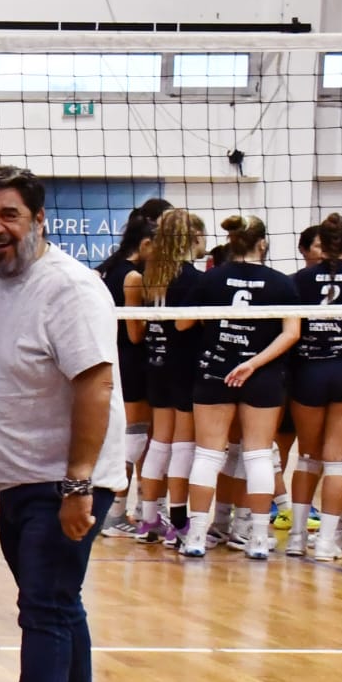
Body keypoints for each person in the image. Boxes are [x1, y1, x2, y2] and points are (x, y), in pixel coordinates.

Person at [0, 166, 120, 682]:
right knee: (56, 601)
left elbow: (96, 383)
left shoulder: (71, 289)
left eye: (9, 216)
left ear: (39, 219)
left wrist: (78, 483)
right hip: (18, 482)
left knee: (45, 608)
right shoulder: (2, 287)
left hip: (63, 482)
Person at [179, 216, 299, 559]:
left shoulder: (211, 278)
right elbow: (291, 334)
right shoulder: (281, 284)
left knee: (208, 453)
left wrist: (218, 325)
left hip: (216, 369)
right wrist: (253, 362)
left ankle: (197, 537)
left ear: (231, 242)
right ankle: (259, 539)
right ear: (262, 242)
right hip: (260, 374)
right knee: (259, 454)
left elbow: (182, 322)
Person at [128, 209, 206, 546]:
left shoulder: (151, 272)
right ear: (191, 239)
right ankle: (177, 523)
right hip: (183, 366)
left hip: (155, 364)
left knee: (159, 442)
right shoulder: (191, 278)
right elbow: (184, 324)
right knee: (182, 446)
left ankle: (147, 519)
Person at [288, 216, 342, 559]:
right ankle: (327, 542)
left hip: (308, 372)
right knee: (338, 461)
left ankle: (298, 539)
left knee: (307, 458)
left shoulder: (298, 280)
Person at [96, 205, 163, 539]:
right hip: (132, 360)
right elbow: (136, 333)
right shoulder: (134, 277)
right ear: (147, 244)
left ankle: (136, 509)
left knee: (131, 437)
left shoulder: (108, 268)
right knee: (135, 438)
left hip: (113, 355)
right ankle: (115, 510)